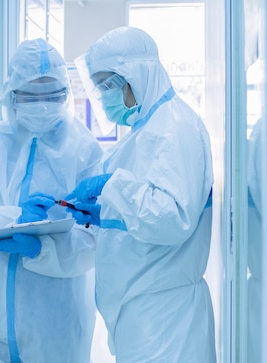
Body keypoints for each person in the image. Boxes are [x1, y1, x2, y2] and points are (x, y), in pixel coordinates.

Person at [0, 38, 104, 362]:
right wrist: (15, 217)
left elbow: (95, 238)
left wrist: (42, 249)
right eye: (31, 95)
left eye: (53, 94)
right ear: (11, 94)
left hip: (58, 316)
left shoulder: (84, 149)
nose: (43, 104)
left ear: (66, 94)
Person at [68, 26, 216, 362]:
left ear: (137, 75)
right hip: (144, 311)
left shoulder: (174, 128)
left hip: (164, 318)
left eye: (108, 84)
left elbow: (172, 219)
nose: (104, 96)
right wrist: (105, 213)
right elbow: (146, 209)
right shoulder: (147, 129)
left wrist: (112, 187)